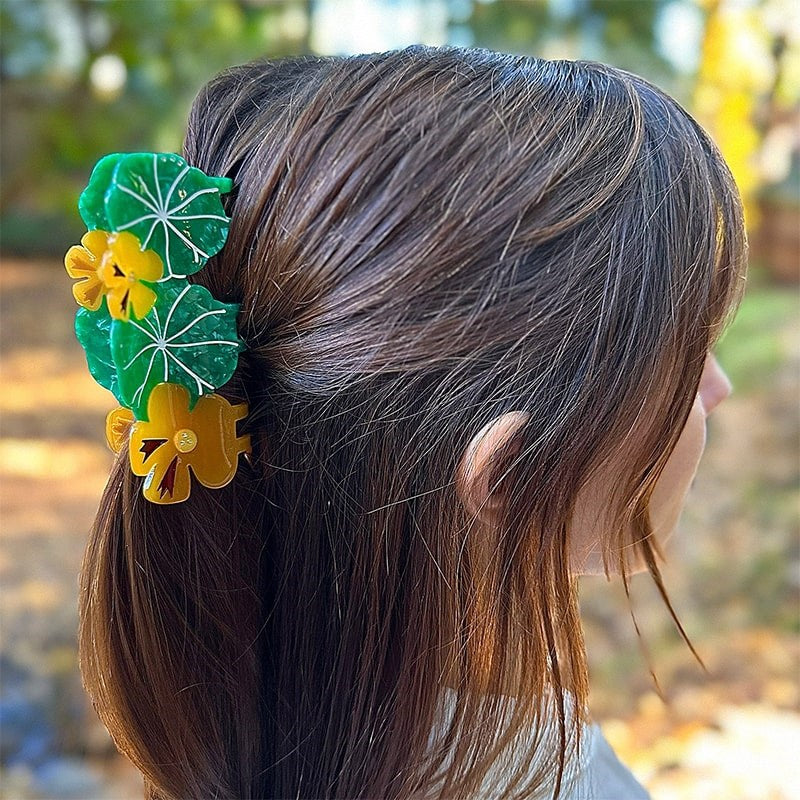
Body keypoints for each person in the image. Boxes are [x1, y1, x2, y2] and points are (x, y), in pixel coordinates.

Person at [77, 45, 747, 799]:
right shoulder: (560, 785)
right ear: (512, 473)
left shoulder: (271, 743)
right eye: (688, 349)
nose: (717, 387)